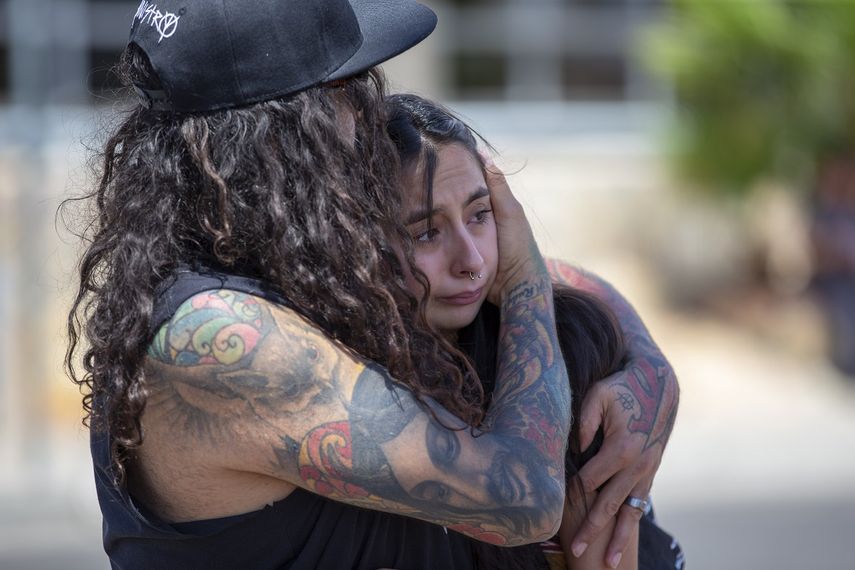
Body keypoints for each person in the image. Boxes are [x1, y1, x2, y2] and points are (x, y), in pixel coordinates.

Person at [64, 1, 677, 568]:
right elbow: (523, 497)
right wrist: (521, 282)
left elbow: (573, 281)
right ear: (281, 136)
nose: (369, 111)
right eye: (347, 91)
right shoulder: (222, 334)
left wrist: (650, 374)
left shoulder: (291, 269)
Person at [384, 93, 684, 570]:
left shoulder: (567, 346)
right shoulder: (328, 370)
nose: (472, 261)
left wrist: (649, 360)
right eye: (426, 233)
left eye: (479, 215)